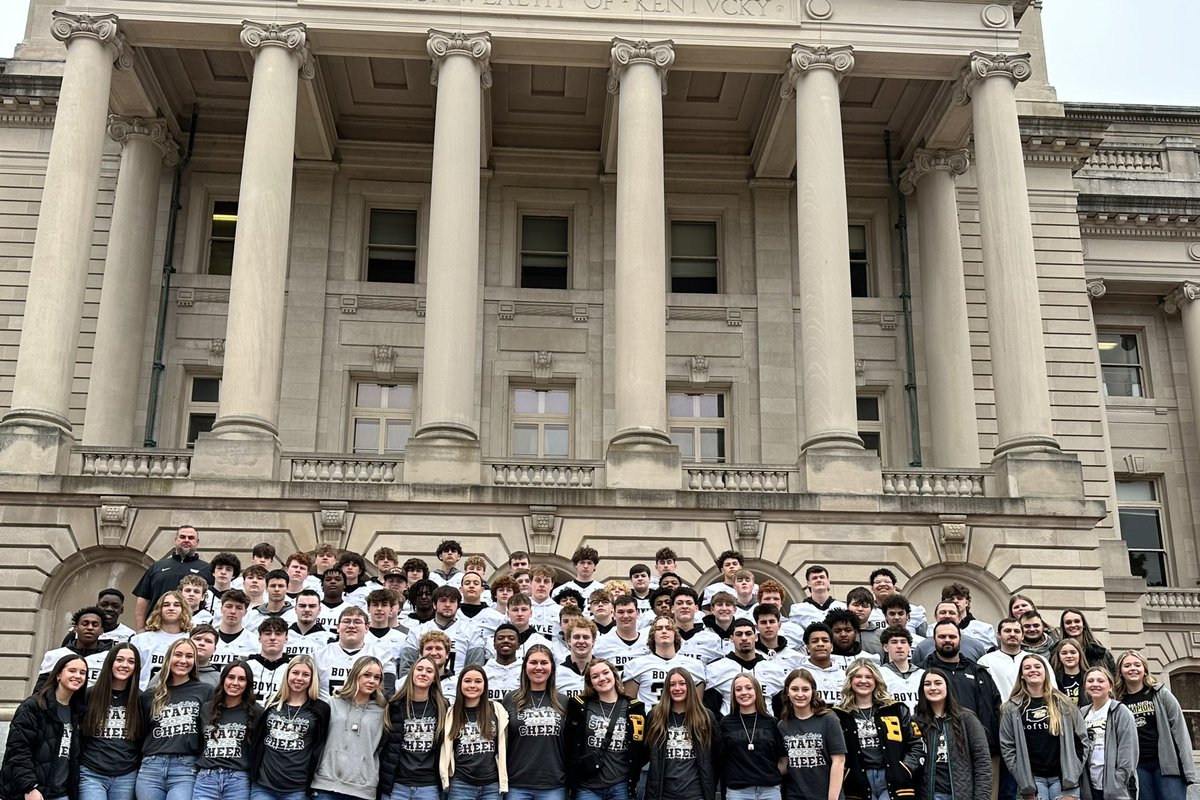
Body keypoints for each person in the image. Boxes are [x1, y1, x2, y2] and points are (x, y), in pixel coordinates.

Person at [999, 653, 1089, 800]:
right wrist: (1021, 776)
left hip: (1064, 780)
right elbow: (1007, 745)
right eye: (1027, 668)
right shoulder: (1012, 707)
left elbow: (1082, 738)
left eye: (1037, 666)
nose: (1033, 670)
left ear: (1045, 672)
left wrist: (1075, 769)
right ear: (1022, 675)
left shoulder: (1064, 702)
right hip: (1033, 781)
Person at [1, 652, 87, 800]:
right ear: (58, 675)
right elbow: (18, 750)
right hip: (31, 792)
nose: (78, 676)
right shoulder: (33, 706)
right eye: (72, 670)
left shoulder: (77, 711)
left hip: (61, 793)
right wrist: (30, 787)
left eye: (83, 672)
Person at [834, 658, 924, 800]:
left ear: (876, 680)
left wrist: (905, 769)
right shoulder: (838, 715)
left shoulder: (896, 709)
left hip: (893, 780)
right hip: (857, 783)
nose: (863, 681)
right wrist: (846, 774)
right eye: (858, 676)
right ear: (850, 680)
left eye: (869, 677)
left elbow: (916, 744)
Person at [136, 637, 214, 800]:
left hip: (185, 768)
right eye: (178, 655)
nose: (183, 660)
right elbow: (141, 732)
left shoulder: (205, 691)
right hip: (151, 767)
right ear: (169, 658)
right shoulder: (151, 694)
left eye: (189, 656)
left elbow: (208, 732)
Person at [1114, 649, 1197, 800]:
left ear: (1144, 670)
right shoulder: (1118, 701)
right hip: (1138, 767)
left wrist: (1188, 769)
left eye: (1137, 665)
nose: (1132, 668)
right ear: (1120, 672)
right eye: (1127, 666)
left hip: (1166, 766)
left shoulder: (1160, 694)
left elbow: (1180, 730)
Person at [564, 658, 648, 800]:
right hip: (586, 787)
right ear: (590, 683)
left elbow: (642, 748)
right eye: (595, 676)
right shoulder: (578, 706)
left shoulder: (635, 708)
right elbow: (568, 743)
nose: (602, 678)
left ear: (614, 675)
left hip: (621, 785)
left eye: (605, 673)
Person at [251, 654, 331, 800]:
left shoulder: (321, 709)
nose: (299, 678)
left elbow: (320, 746)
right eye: (295, 672)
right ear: (287, 674)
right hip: (264, 786)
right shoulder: (272, 704)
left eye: (306, 674)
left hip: (297, 788)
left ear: (312, 679)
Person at [311, 656, 390, 800]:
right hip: (326, 784)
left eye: (377, 677)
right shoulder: (332, 704)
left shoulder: (382, 711)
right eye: (367, 675)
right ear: (355, 674)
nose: (372, 681)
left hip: (362, 788)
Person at [79, 643, 145, 800]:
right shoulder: (89, 695)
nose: (124, 665)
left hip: (126, 775)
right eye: (120, 660)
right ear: (110, 662)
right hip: (91, 772)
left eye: (131, 661)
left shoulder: (141, 699)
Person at [914, 666, 992, 800]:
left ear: (947, 687)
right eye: (927, 684)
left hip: (962, 795)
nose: (933, 688)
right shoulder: (915, 721)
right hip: (930, 795)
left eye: (938, 683)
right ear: (922, 690)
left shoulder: (967, 718)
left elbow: (983, 762)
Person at [503, 644, 569, 800]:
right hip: (517, 784)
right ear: (525, 667)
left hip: (553, 784)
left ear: (552, 667)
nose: (539, 667)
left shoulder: (564, 701)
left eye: (544, 663)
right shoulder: (510, 700)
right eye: (533, 662)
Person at [379, 656, 448, 800]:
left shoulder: (443, 707)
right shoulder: (395, 705)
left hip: (429, 786)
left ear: (435, 678)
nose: (423, 673)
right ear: (412, 674)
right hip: (397, 785)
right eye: (420, 669)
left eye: (429, 671)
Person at [194, 660, 261, 800]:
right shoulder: (206, 709)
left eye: (242, 679)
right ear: (223, 679)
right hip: (206, 779)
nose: (235, 683)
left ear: (248, 684)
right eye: (231, 677)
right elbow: (199, 743)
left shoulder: (257, 712)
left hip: (238, 781)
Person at [440, 665, 510, 800]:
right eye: (467, 681)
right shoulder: (450, 713)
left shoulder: (496, 709)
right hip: (461, 784)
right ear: (460, 684)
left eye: (478, 681)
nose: (472, 685)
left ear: (485, 685)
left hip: (492, 785)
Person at [779, 668, 846, 800]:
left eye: (805, 689)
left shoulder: (829, 719)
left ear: (813, 692)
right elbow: (784, 765)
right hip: (795, 795)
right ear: (787, 692)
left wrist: (832, 798)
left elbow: (839, 761)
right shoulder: (782, 725)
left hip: (825, 794)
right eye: (794, 689)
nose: (800, 694)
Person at [718, 673, 786, 800]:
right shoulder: (726, 723)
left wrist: (768, 774)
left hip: (770, 791)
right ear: (733, 694)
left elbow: (783, 759)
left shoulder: (771, 722)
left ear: (757, 691)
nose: (744, 692)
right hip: (738, 792)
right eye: (738, 689)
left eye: (749, 688)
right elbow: (721, 759)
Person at [132, 525, 212, 629]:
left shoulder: (207, 569)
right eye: (182, 537)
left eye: (191, 538)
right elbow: (143, 598)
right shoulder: (157, 567)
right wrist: (140, 629)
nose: (186, 540)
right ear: (176, 540)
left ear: (197, 542)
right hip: (156, 627)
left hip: (191, 628)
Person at [623, 616, 706, 710]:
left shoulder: (694, 665)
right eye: (659, 628)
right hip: (649, 721)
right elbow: (630, 705)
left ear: (675, 634)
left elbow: (697, 707)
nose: (664, 631)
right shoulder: (636, 665)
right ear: (652, 635)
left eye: (669, 628)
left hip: (682, 721)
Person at [1082, 666, 1139, 800]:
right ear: (1085, 686)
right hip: (1091, 786)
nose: (1095, 684)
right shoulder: (1083, 713)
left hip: (1116, 788)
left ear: (1110, 686)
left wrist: (1118, 782)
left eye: (1100, 681)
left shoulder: (1120, 711)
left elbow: (1128, 750)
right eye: (1090, 681)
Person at [37, 605, 112, 687]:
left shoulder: (109, 658)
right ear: (75, 628)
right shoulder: (54, 655)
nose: (90, 628)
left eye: (95, 625)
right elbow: (41, 690)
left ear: (101, 631)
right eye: (85, 624)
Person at [131, 590, 192, 689]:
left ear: (183, 609)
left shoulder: (191, 639)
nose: (171, 608)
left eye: (176, 605)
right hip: (145, 697)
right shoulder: (140, 640)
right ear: (159, 609)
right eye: (166, 605)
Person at [1060, 609, 1117, 676]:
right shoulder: (1056, 652)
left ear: (1084, 624)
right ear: (1063, 627)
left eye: (1077, 621)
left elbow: (1112, 676)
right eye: (1068, 622)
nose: (1073, 625)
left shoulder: (1099, 652)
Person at [1051, 638, 1089, 707]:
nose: (1069, 656)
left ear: (1080, 654)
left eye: (1073, 652)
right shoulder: (1053, 679)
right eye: (1064, 653)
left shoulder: (1089, 677)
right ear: (1059, 656)